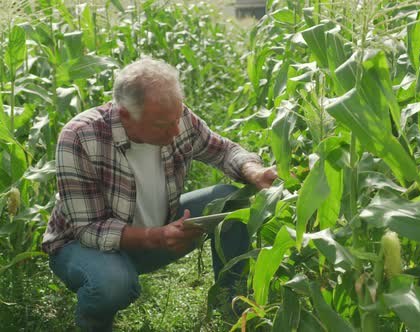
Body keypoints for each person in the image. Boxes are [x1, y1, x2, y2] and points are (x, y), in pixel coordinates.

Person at [41, 58, 277, 331]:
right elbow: (88, 229)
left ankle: (232, 307)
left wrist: (254, 172)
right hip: (82, 247)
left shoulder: (173, 117)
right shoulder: (81, 137)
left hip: (155, 232)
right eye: (163, 125)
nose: (176, 131)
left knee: (233, 201)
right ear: (126, 114)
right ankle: (96, 321)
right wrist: (158, 237)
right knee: (112, 284)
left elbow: (223, 150)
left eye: (177, 119)